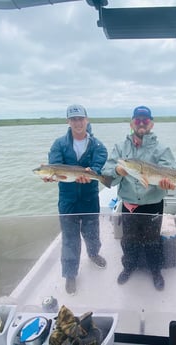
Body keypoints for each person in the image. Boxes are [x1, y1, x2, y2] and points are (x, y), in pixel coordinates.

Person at [102, 105, 176, 291]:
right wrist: (118, 170)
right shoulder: (120, 147)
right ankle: (129, 266)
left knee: (153, 240)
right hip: (128, 203)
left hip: (153, 203)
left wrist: (166, 183)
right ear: (131, 123)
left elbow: (171, 170)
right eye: (138, 120)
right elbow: (106, 173)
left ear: (151, 123)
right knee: (129, 239)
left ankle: (155, 270)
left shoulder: (161, 148)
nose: (141, 123)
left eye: (145, 120)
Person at [45, 104, 108, 294]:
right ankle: (70, 274)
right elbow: (54, 167)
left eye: (81, 118)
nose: (78, 123)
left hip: (89, 197)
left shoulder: (97, 145)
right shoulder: (59, 144)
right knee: (70, 238)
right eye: (73, 119)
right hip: (68, 199)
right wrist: (49, 176)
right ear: (68, 122)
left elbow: (100, 160)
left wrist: (93, 172)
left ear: (87, 120)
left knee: (92, 231)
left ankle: (94, 253)